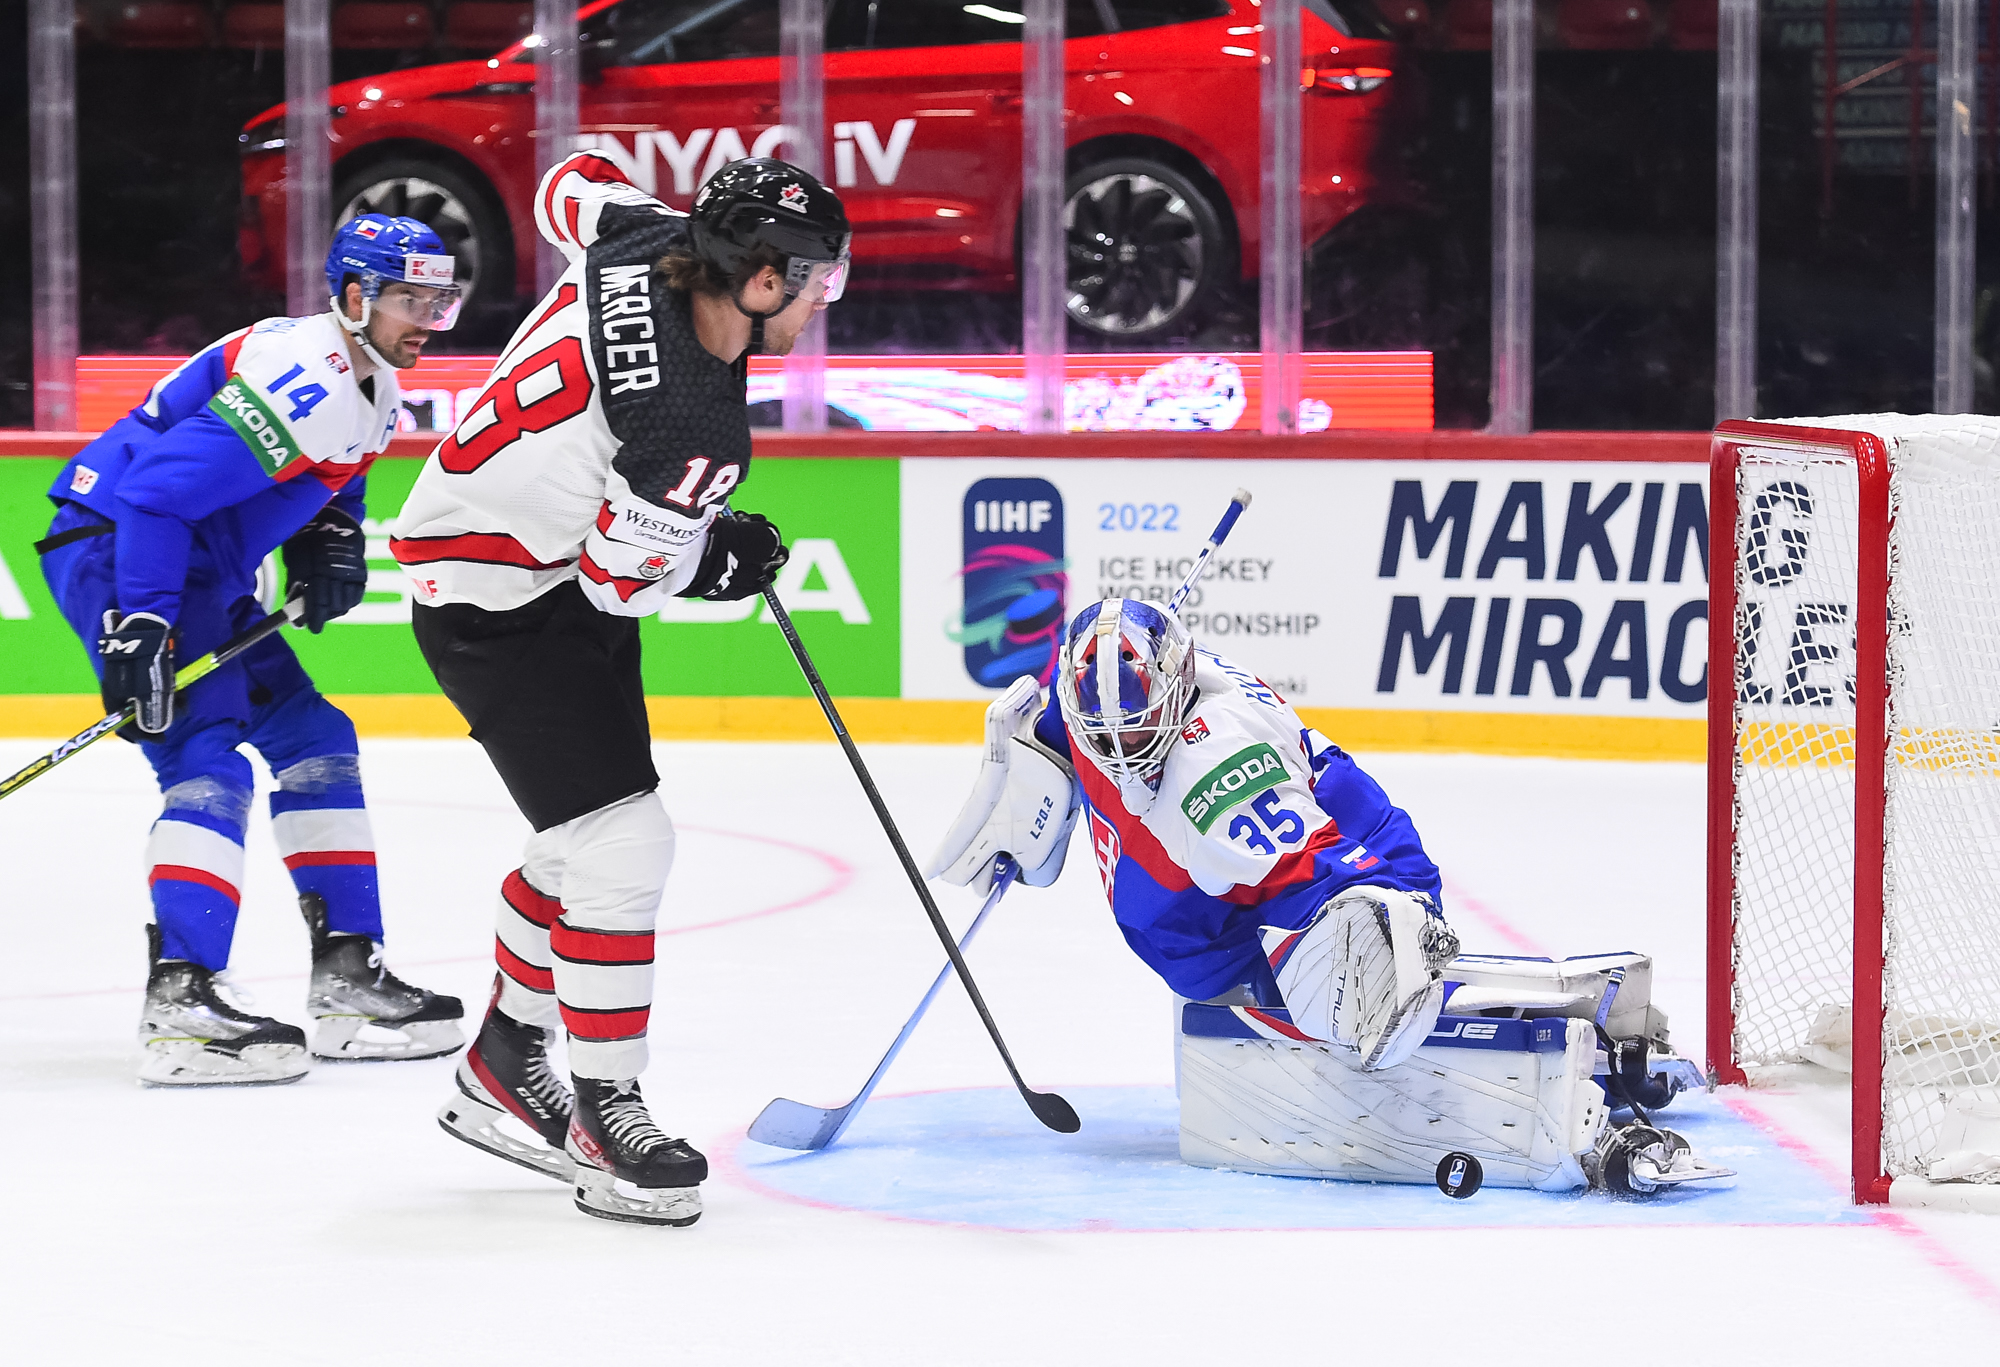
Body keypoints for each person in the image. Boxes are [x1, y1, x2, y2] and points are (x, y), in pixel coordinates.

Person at [399, 151, 849, 1226]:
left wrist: (687, 534)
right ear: (757, 279)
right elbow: (618, 583)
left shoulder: (637, 231)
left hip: (515, 554)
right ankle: (605, 1103)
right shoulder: (692, 427)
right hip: (498, 595)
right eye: (814, 280)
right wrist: (712, 556)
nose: (822, 300)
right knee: (622, 840)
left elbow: (569, 179)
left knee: (580, 835)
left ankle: (506, 1054)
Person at [927, 597, 1728, 1194]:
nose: (1122, 752)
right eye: (1103, 734)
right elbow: (1091, 716)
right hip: (1242, 890)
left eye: (1135, 732)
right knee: (1324, 967)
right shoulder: (1119, 701)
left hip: (1338, 870)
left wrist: (1391, 951)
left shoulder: (1214, 783)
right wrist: (1038, 761)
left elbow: (1336, 885)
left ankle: (1571, 1069)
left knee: (1362, 985)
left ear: (1174, 695)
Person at [37, 215, 468, 1086]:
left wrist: (332, 534)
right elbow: (153, 496)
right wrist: (144, 623)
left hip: (196, 567)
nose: (427, 316)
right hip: (128, 556)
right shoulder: (307, 377)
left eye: (439, 298)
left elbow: (334, 472)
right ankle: (182, 1002)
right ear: (355, 296)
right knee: (206, 762)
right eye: (408, 297)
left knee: (315, 736)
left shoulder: (369, 378)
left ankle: (349, 978)